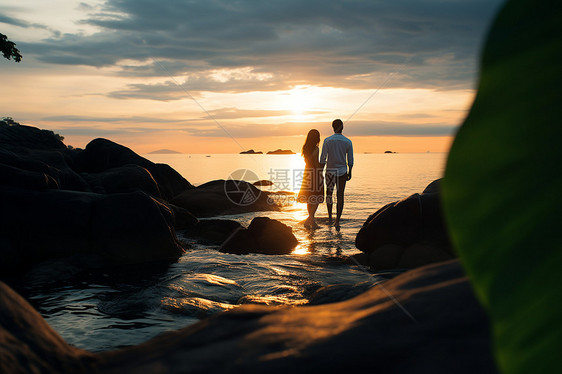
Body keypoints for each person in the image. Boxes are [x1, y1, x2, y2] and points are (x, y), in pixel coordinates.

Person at [320, 119, 354, 230]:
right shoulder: (348, 141)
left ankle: (330, 218)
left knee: (329, 195)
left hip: (330, 171)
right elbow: (350, 159)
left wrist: (320, 172)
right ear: (342, 127)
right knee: (340, 196)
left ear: (332, 127)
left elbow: (323, 158)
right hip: (343, 172)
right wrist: (350, 171)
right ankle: (337, 221)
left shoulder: (327, 140)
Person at [297, 129, 324, 229]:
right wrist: (321, 174)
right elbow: (316, 164)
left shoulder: (305, 148)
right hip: (314, 174)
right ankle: (311, 219)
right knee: (316, 197)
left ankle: (311, 222)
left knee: (309, 198)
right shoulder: (316, 149)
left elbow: (307, 162)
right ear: (317, 138)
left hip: (306, 173)